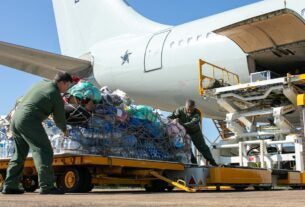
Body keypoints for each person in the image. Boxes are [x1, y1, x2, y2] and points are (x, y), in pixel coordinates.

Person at [2, 72, 73, 194]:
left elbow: (20, 99)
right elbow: (59, 118)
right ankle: (47, 186)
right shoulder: (55, 94)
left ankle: (10, 186)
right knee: (43, 150)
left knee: (19, 154)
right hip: (29, 120)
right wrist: (64, 130)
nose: (67, 89)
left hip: (16, 118)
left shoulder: (41, 83)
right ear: (62, 83)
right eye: (68, 86)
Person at [168, 99, 218, 166]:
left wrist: (181, 124)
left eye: (191, 109)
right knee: (187, 148)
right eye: (188, 109)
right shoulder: (180, 110)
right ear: (185, 106)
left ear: (194, 107)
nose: (189, 111)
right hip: (185, 132)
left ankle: (213, 162)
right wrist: (172, 120)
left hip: (195, 132)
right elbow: (170, 117)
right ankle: (194, 164)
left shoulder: (197, 113)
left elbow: (193, 123)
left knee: (202, 147)